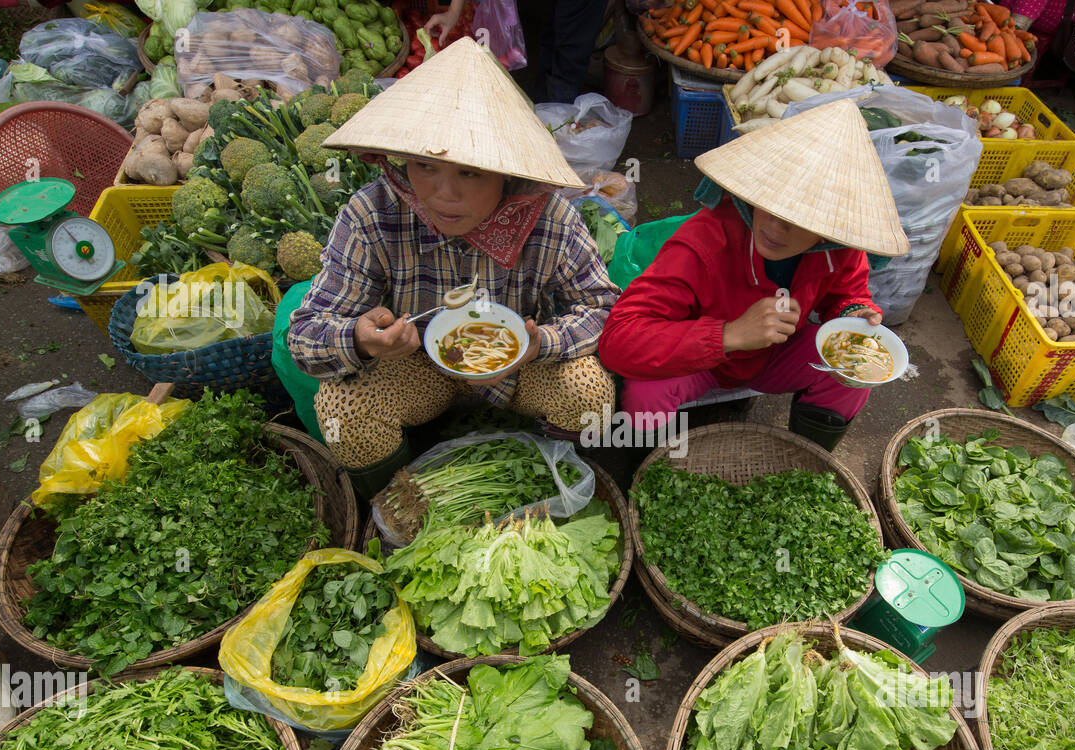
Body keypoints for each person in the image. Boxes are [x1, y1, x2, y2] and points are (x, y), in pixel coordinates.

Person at [286, 36, 619, 499]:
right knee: (342, 407)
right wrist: (361, 338)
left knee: (590, 394)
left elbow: (605, 309)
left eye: (470, 172)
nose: (444, 194)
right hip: (418, 368)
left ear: (507, 172)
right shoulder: (373, 214)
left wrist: (541, 341)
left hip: (520, 370)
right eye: (425, 166)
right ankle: (396, 504)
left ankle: (557, 482)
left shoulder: (550, 216)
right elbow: (304, 335)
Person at [597, 97, 909, 451]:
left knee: (852, 371)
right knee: (644, 394)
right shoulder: (703, 242)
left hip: (776, 357)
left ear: (826, 230)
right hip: (697, 363)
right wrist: (728, 335)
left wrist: (853, 314)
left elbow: (847, 293)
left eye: (798, 221)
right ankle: (652, 471)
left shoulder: (840, 249)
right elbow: (618, 341)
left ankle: (805, 468)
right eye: (770, 205)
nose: (776, 228)